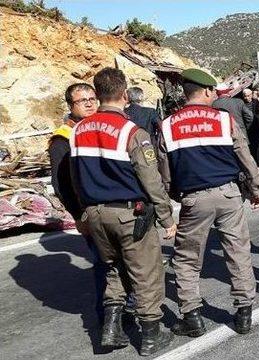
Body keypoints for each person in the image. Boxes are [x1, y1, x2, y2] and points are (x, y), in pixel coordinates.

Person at [69, 67, 177, 356]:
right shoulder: (131, 131)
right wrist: (166, 217)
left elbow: (75, 177)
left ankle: (111, 330)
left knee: (114, 269)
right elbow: (150, 179)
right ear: (124, 94)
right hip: (128, 214)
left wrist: (84, 212)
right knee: (147, 273)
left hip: (94, 213)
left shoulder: (78, 130)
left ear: (98, 94)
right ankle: (152, 336)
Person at [158, 69, 259, 337]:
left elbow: (165, 173)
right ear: (205, 91)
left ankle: (192, 316)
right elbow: (245, 157)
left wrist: (176, 197)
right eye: (214, 91)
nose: (216, 95)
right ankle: (244, 313)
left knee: (186, 260)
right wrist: (255, 188)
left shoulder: (167, 125)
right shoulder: (224, 120)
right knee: (237, 252)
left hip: (193, 198)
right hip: (228, 195)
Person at [48, 83, 107, 318]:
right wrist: (78, 216)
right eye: (83, 101)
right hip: (89, 211)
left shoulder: (101, 127)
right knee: (105, 265)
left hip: (112, 207)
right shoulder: (63, 139)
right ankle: (108, 316)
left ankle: (126, 308)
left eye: (93, 98)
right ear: (71, 106)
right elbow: (61, 184)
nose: (90, 103)